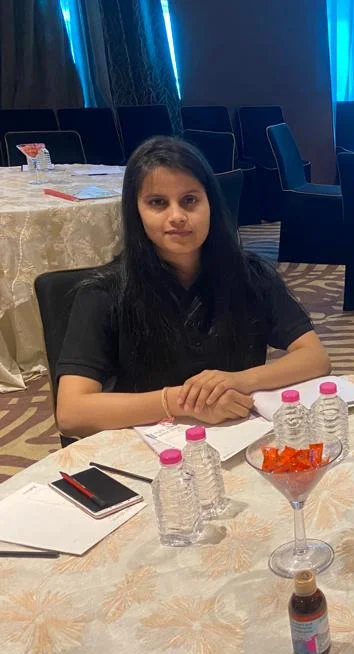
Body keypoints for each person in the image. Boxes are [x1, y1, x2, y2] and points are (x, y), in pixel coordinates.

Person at [55, 137, 331, 437]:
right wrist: (183, 401)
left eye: (189, 200)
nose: (177, 217)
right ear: (136, 212)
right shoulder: (104, 292)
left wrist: (238, 380)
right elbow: (71, 413)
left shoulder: (248, 275)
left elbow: (315, 357)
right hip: (149, 445)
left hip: (239, 436)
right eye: (157, 203)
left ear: (210, 204)